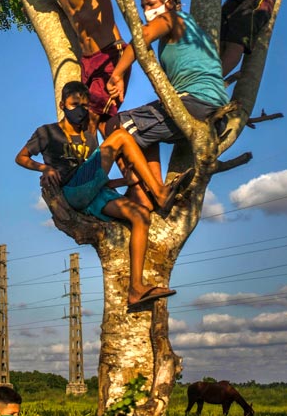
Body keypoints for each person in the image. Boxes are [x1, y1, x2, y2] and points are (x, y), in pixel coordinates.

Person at [16, 81, 187, 307]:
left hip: (93, 192)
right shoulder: (47, 132)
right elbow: (21, 157)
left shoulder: (88, 135)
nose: (80, 110)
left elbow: (95, 172)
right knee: (121, 137)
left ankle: (136, 289)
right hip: (72, 190)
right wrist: (45, 168)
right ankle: (160, 192)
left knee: (140, 216)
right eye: (74, 104)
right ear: (62, 105)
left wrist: (122, 181)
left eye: (84, 105)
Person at [105, 0, 230, 192]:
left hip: (196, 102)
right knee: (145, 134)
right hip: (214, 111)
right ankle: (155, 188)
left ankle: (135, 183)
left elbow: (142, 35)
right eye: (143, 6)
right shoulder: (189, 25)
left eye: (152, 4)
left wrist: (117, 75)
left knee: (115, 125)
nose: (147, 11)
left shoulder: (171, 19)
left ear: (169, 3)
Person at [21, 0, 130, 134]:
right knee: (105, 127)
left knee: (86, 120)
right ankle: (131, 163)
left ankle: (86, 165)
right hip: (87, 63)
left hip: (109, 54)